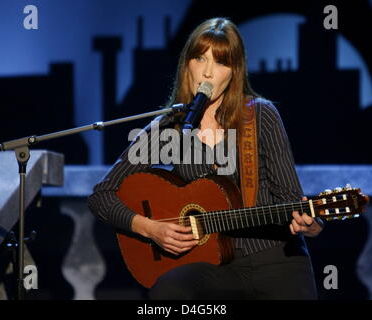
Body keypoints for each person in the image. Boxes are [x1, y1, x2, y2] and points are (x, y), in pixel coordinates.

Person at [88, 17, 324, 300]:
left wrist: (310, 224)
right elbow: (102, 195)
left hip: (275, 258)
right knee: (167, 293)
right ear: (187, 64)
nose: (208, 72)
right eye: (200, 58)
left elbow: (291, 198)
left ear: (234, 71)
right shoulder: (169, 126)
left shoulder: (260, 115)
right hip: (211, 263)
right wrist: (150, 229)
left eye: (221, 62)